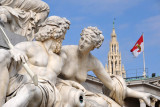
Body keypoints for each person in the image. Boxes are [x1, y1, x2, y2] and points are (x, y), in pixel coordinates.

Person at [58, 26, 152, 106]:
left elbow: (112, 86)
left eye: (87, 42)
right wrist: (70, 84)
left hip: (80, 93)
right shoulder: (65, 51)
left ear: (94, 46)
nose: (82, 43)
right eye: (82, 39)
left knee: (104, 102)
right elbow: (48, 72)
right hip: (61, 89)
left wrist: (141, 95)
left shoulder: (93, 62)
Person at [0, 16, 70, 107]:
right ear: (55, 32)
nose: (63, 38)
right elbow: (11, 54)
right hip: (23, 80)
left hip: (45, 89)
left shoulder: (62, 56)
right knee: (2, 54)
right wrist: (15, 51)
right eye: (62, 34)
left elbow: (66, 77)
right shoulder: (29, 46)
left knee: (30, 89)